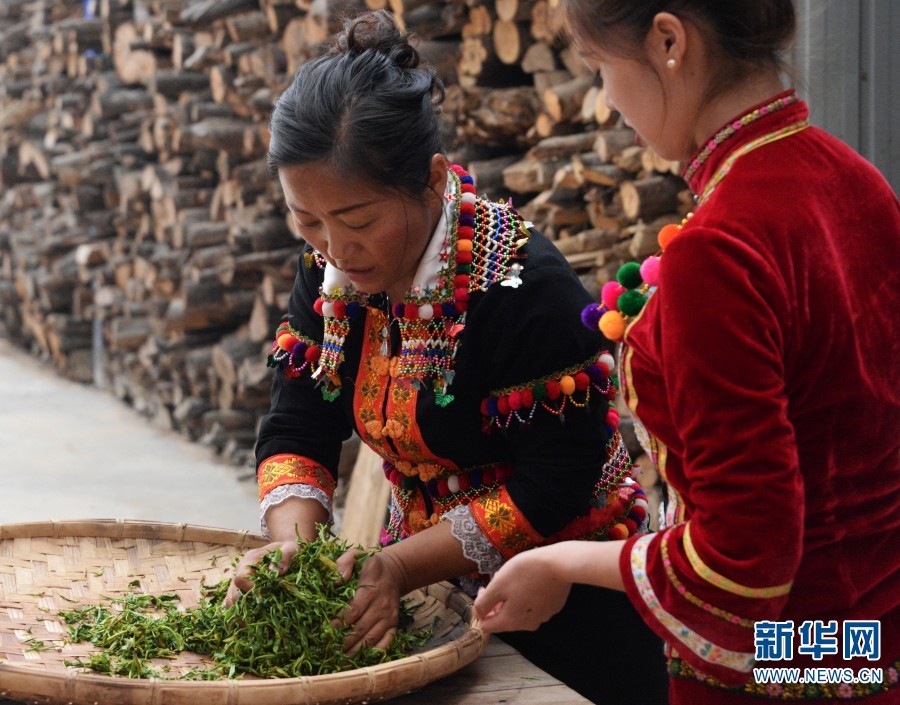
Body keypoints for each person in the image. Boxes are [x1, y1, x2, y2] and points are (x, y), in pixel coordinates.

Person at [225, 10, 668, 704]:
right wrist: (299, 552)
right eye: (306, 220)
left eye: (360, 220)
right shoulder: (329, 275)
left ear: (432, 180)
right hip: (424, 592)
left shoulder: (522, 284)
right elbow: (298, 424)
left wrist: (399, 567)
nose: (336, 250)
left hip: (570, 604)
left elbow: (557, 477)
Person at [473, 1, 900, 703]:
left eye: (600, 69)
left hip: (781, 670)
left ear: (669, 40)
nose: (608, 102)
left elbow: (745, 565)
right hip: (868, 648)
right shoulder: (858, 182)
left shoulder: (721, 250)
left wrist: (567, 561)